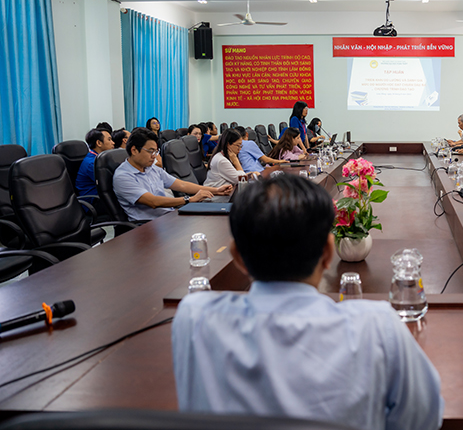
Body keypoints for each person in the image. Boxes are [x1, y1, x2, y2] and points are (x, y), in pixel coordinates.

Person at [171, 174, 444, 429]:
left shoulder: (195, 319)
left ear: (237, 257)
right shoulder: (378, 328)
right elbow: (423, 418)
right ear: (328, 253)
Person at [113, 129, 231, 221]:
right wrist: (189, 200)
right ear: (134, 150)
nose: (154, 156)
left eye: (156, 151)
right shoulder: (123, 176)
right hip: (147, 226)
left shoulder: (152, 169)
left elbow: (182, 185)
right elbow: (153, 202)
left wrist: (216, 191)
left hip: (168, 217)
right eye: (150, 151)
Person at [204, 129, 246, 197]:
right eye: (238, 145)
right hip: (217, 199)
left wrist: (250, 174)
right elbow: (242, 180)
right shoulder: (222, 161)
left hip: (225, 197)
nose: (240, 149)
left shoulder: (223, 156)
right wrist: (236, 161)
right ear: (228, 144)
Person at [76, 128, 114, 201]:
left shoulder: (101, 159)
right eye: (109, 140)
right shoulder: (92, 163)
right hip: (93, 200)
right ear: (99, 143)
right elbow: (109, 183)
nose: (113, 143)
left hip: (103, 195)